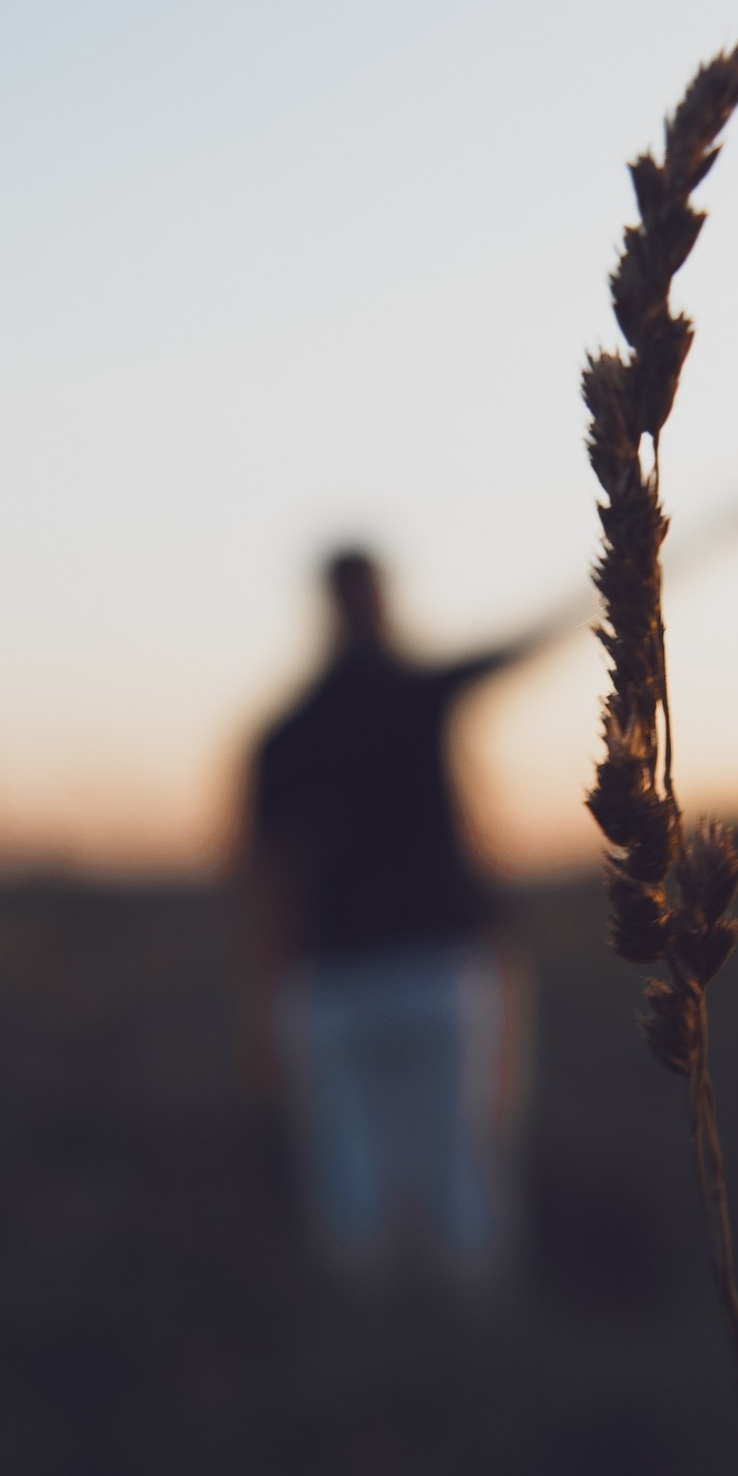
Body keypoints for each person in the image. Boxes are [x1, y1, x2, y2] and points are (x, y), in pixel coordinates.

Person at [245, 549, 560, 1285]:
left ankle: (381, 1349)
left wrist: (265, 1004)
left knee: (355, 1177)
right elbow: (524, 646)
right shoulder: (420, 695)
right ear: (379, 600)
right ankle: (457, 1345)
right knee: (459, 1164)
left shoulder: (289, 731)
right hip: (438, 968)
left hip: (337, 978)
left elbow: (269, 884)